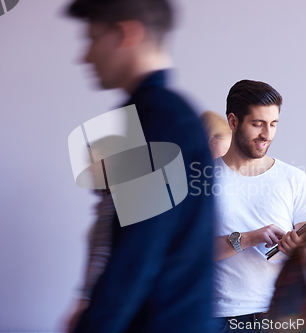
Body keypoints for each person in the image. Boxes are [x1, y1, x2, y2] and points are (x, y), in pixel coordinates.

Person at [65, 0, 215, 332]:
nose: (84, 56)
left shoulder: (153, 120)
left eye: (92, 38)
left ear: (126, 33)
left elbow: (137, 255)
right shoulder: (171, 115)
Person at [212, 80, 306, 332]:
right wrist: (247, 238)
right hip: (219, 318)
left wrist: (297, 248)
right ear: (233, 122)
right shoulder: (201, 179)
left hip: (280, 316)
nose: (267, 134)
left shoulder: (294, 179)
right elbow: (189, 252)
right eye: (257, 124)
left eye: (273, 124)